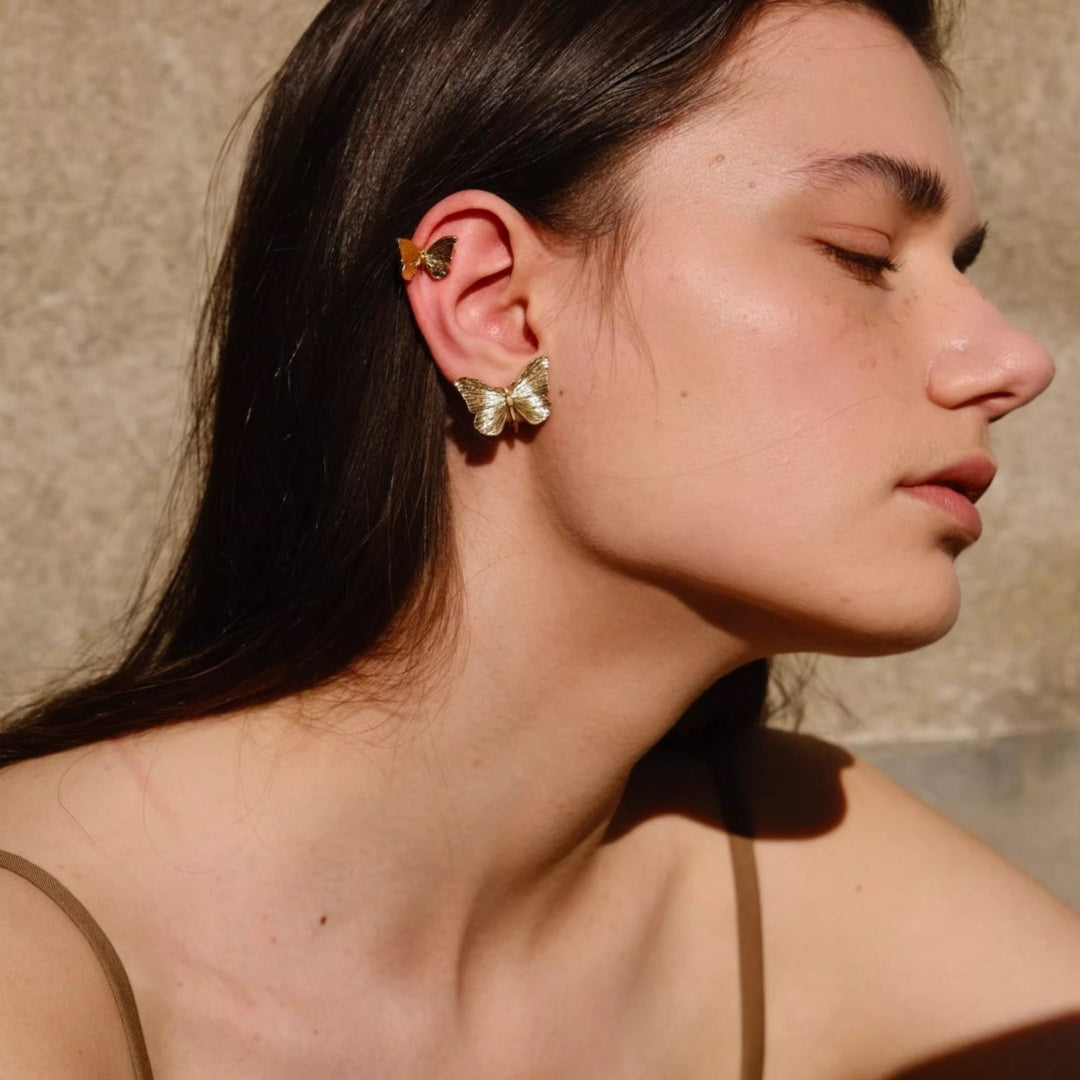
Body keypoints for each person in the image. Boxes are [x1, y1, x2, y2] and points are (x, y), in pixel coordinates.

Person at [1, 0, 1078, 1076]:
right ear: (492, 306)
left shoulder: (803, 870)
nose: (1009, 359)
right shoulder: (38, 967)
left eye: (961, 267)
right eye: (863, 254)